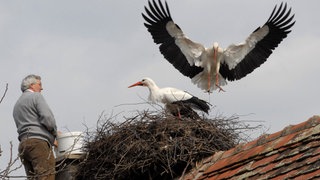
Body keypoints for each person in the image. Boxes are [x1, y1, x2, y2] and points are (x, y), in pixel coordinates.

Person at [13, 74, 57, 180]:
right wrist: (54, 134)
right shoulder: (36, 96)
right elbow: (48, 119)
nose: (42, 88)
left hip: (23, 146)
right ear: (32, 85)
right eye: (39, 84)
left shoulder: (16, 105)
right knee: (47, 176)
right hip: (38, 144)